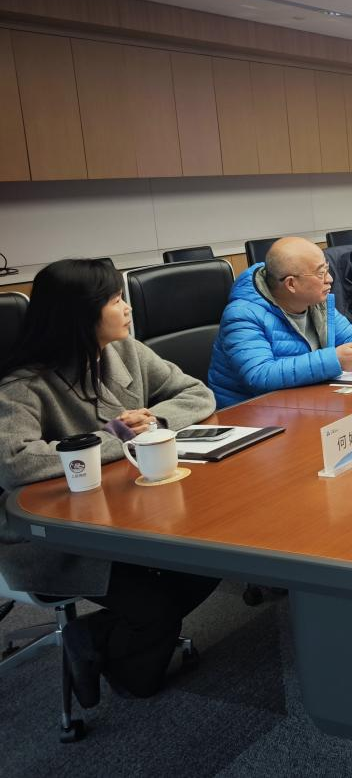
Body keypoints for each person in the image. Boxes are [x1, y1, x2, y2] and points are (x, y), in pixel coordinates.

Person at [0, 259, 219, 705]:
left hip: (128, 508)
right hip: (56, 536)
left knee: (217, 558)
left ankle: (93, 634)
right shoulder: (24, 384)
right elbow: (14, 462)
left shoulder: (125, 352)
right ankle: (120, 664)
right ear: (79, 314)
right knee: (155, 612)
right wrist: (118, 438)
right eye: (116, 300)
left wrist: (155, 420)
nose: (127, 308)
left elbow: (197, 393)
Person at [208, 236, 352, 408]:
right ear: (291, 284)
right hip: (249, 414)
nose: (330, 279)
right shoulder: (243, 314)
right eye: (321, 273)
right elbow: (260, 376)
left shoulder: (317, 302)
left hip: (305, 402)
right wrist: (334, 360)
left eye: (327, 269)